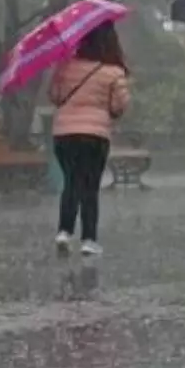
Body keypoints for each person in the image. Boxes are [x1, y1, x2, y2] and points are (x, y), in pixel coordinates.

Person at [50, 22, 131, 257]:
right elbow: (119, 106)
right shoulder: (113, 72)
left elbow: (54, 96)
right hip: (95, 135)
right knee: (90, 186)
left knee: (71, 181)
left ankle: (64, 231)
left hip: (64, 134)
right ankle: (88, 239)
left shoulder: (65, 67)